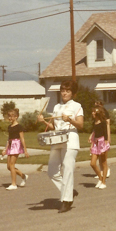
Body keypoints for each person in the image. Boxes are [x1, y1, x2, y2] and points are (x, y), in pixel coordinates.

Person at [37, 79, 84, 213]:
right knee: (52, 171)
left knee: (67, 170)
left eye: (67, 91)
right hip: (57, 139)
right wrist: (43, 121)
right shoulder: (56, 107)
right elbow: (54, 126)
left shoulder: (77, 106)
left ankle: (66, 201)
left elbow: (81, 125)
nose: (64, 93)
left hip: (70, 140)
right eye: (63, 90)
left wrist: (69, 119)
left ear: (72, 93)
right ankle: (69, 191)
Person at [2, 108, 29, 190]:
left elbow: (22, 138)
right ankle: (23, 176)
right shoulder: (9, 127)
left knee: (12, 165)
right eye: (9, 116)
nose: (10, 118)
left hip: (16, 145)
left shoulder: (19, 126)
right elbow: (8, 139)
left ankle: (14, 184)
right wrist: (5, 149)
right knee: (9, 167)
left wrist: (25, 150)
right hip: (10, 145)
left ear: (16, 117)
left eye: (11, 116)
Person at [88, 106, 110, 189]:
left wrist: (104, 146)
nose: (93, 113)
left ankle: (103, 182)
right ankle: (100, 178)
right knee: (92, 163)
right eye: (92, 112)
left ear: (98, 113)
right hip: (95, 143)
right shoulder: (94, 122)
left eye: (94, 112)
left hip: (102, 142)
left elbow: (106, 135)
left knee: (103, 163)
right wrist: (91, 144)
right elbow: (94, 134)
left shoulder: (103, 122)